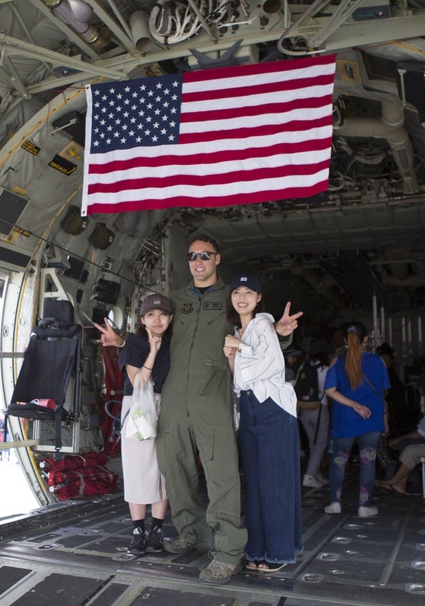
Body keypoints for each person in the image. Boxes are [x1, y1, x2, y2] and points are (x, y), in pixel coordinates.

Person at [96, 234, 300, 585]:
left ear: (217, 259)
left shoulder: (231, 298)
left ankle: (228, 550)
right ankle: (192, 532)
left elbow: (255, 335)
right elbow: (153, 330)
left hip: (214, 392)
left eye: (206, 255)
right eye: (192, 256)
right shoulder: (175, 300)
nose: (198, 261)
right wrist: (124, 340)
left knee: (220, 472)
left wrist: (281, 335)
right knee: (172, 464)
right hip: (175, 393)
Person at [223, 273, 302, 574]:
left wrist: (239, 349)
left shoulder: (263, 325)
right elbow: (238, 379)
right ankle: (256, 549)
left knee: (275, 483)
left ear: (258, 299)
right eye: (237, 292)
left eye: (249, 292)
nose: (242, 297)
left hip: (273, 410)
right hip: (249, 408)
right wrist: (233, 353)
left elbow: (273, 365)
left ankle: (279, 552)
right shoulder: (237, 330)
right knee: (255, 484)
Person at [118, 293, 173, 555]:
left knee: (162, 469)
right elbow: (139, 382)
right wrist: (152, 352)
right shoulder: (133, 344)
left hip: (165, 406)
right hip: (138, 407)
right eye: (151, 314)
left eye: (162, 314)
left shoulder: (175, 344)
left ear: (170, 318)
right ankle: (138, 530)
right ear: (142, 319)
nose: (157, 319)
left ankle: (157, 530)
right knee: (137, 469)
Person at [323, 321, 390, 518]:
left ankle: (335, 503)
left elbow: (329, 391)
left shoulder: (337, 362)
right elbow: (385, 388)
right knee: (368, 462)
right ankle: (364, 506)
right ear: (366, 339)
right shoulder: (378, 361)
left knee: (338, 461)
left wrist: (352, 404)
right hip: (371, 418)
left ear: (345, 340)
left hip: (345, 420)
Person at [376, 390, 425, 494]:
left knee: (407, 445)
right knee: (408, 446)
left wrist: (398, 439)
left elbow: (422, 432)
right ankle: (400, 484)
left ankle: (396, 482)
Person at [297, 350, 330, 488]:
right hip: (319, 408)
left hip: (303, 408)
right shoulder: (325, 369)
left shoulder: (303, 366)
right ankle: (310, 475)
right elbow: (329, 389)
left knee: (313, 443)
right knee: (320, 443)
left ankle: (316, 473)